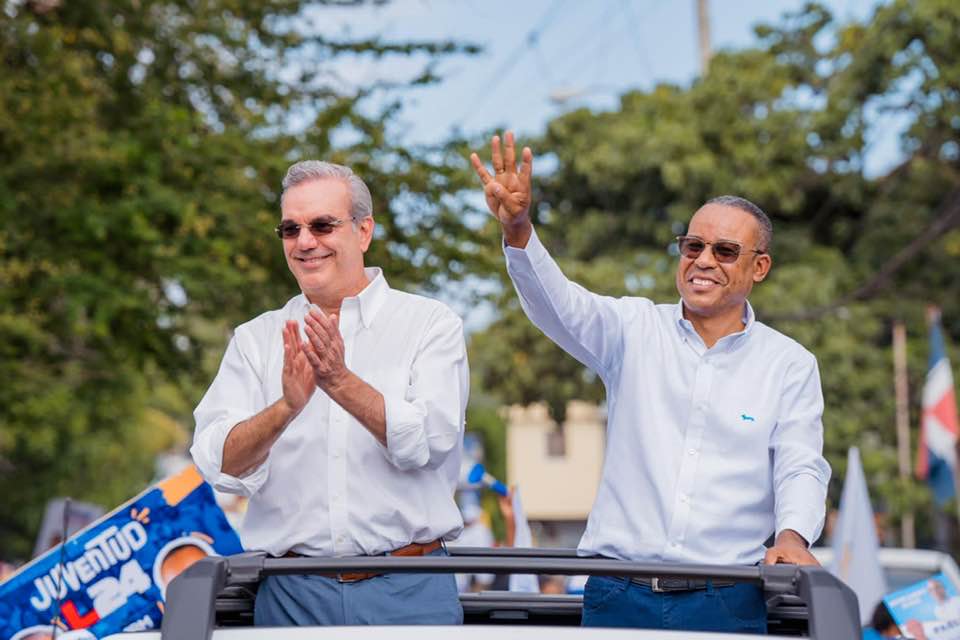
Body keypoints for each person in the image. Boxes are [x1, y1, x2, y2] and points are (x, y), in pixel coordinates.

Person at [470, 132, 831, 633]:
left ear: (760, 267)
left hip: (727, 599)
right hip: (619, 591)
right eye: (693, 245)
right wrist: (518, 228)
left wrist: (793, 537)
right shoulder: (634, 328)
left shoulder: (789, 363)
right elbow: (559, 305)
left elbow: (801, 466)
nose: (704, 260)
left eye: (726, 251)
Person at [190, 161, 469, 626]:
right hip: (290, 595)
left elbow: (431, 441)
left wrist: (339, 381)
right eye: (290, 228)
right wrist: (285, 409)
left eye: (322, 225)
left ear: (363, 232)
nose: (305, 241)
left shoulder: (429, 325)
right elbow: (219, 464)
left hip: (410, 588)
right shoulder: (256, 339)